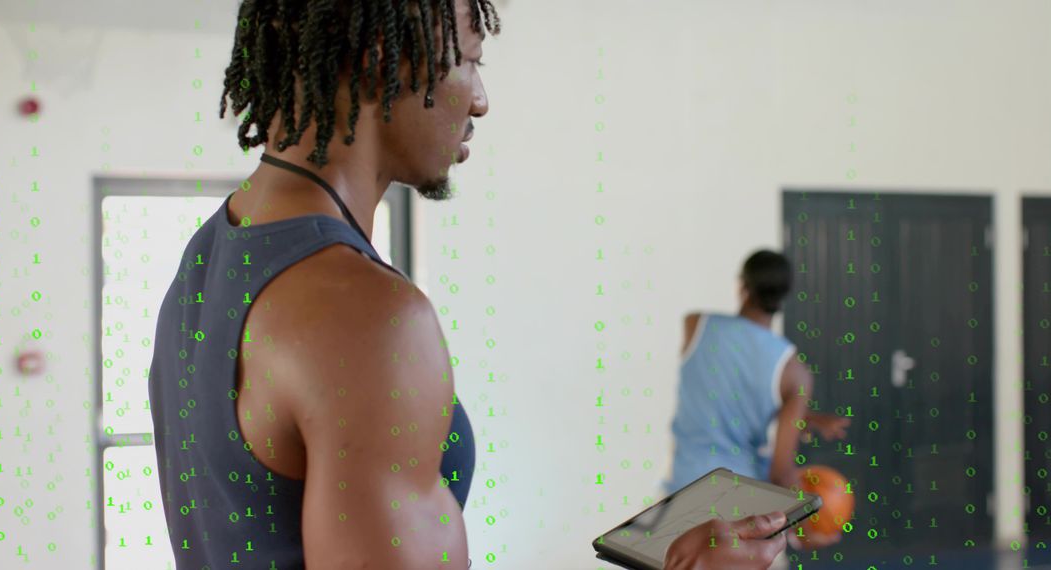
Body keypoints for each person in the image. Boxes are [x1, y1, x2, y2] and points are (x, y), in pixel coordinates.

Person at [146, 1, 790, 568]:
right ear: (384, 58)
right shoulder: (366, 316)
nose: (479, 99)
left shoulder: (203, 259)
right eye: (472, 61)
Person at [661, 250, 852, 559]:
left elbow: (724, 389)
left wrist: (804, 415)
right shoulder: (793, 372)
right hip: (739, 507)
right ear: (785, 295)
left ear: (742, 286)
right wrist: (811, 531)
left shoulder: (696, 326)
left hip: (683, 494)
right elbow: (780, 474)